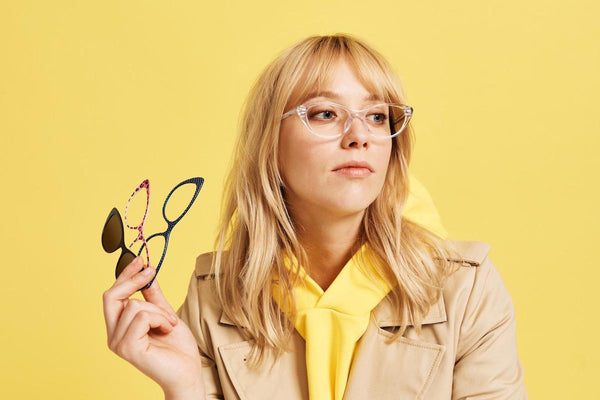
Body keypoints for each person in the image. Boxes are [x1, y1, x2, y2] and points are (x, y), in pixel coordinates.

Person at [102, 33, 527, 399]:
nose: (359, 136)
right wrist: (185, 389)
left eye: (378, 116)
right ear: (270, 142)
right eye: (326, 113)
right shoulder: (213, 299)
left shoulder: (466, 291)